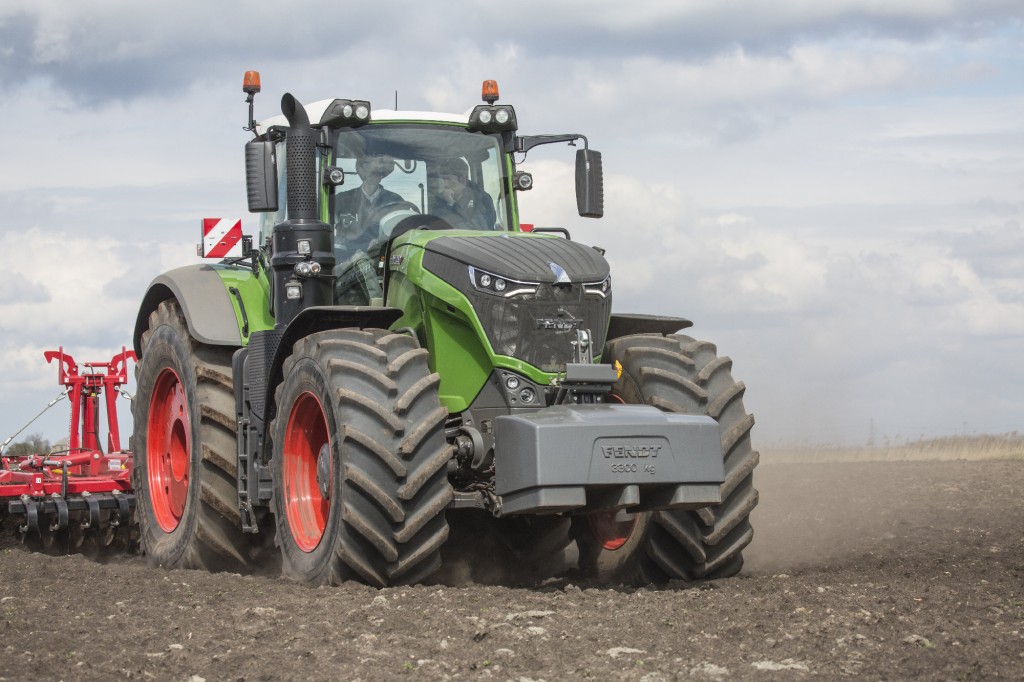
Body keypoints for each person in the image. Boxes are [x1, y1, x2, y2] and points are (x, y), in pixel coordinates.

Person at [332, 153, 403, 304]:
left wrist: (379, 243)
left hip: (383, 259)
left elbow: (399, 232)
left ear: (383, 175)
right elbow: (334, 237)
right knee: (360, 262)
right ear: (360, 170)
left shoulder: (395, 201)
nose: (373, 176)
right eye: (370, 171)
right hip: (347, 263)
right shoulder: (342, 200)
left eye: (378, 173)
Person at [433, 158, 496, 229]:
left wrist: (452, 204)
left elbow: (481, 228)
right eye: (443, 179)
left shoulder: (481, 199)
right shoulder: (441, 200)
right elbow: (436, 225)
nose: (445, 184)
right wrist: (449, 204)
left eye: (448, 179)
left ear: (462, 180)